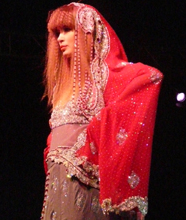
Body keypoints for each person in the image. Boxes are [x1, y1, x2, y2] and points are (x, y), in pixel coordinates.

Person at [41, 2, 163, 220]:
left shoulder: (103, 76)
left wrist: (96, 131)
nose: (60, 38)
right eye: (57, 32)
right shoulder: (63, 86)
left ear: (87, 32)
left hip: (82, 180)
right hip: (58, 180)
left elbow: (152, 76)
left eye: (67, 30)